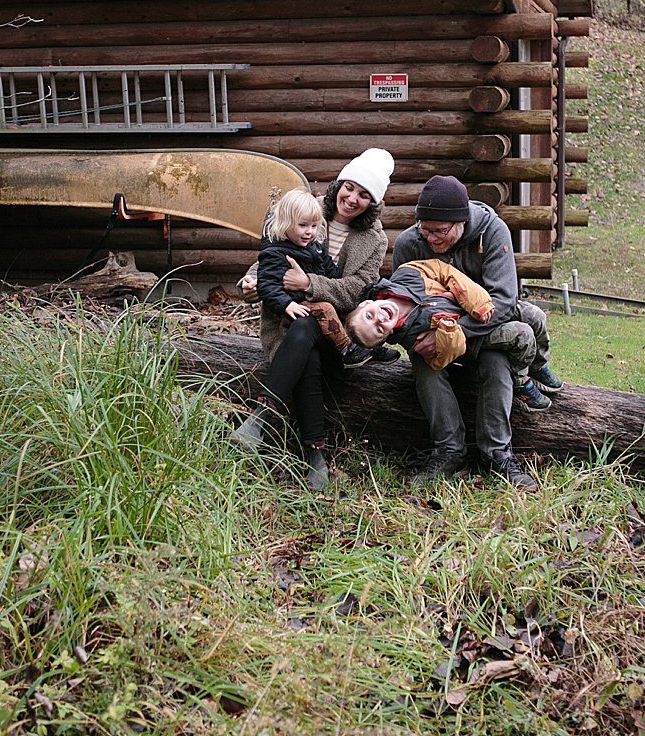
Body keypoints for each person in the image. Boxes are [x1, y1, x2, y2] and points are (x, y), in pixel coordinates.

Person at [232, 148, 395, 490]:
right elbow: (271, 251)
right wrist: (251, 281)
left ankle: (259, 418)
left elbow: (355, 289)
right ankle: (316, 458)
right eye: (350, 187)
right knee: (307, 353)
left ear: (372, 203)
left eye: (364, 195)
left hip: (339, 332)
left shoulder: (374, 240)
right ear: (341, 183)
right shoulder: (305, 207)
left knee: (309, 327)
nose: (352, 199)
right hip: (285, 321)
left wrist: (310, 284)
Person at [390, 175, 561, 488]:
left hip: (485, 330)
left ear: (461, 222)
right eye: (424, 229)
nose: (430, 239)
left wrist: (453, 334)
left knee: (497, 362)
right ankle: (448, 451)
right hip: (433, 333)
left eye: (439, 231)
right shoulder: (408, 244)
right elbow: (399, 303)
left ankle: (497, 456)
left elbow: (505, 303)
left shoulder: (493, 232)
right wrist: (420, 336)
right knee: (423, 362)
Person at [345, 259, 561, 410]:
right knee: (522, 335)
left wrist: (477, 303)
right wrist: (449, 330)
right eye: (379, 330)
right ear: (388, 335)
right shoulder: (413, 337)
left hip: (482, 307)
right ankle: (520, 380)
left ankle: (539, 364)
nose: (379, 320)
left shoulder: (406, 274)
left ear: (366, 303)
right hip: (475, 338)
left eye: (369, 316)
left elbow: (444, 271)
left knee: (536, 315)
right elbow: (445, 356)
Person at [254, 187, 372, 368]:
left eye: (314, 226)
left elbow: (331, 273)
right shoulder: (276, 253)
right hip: (288, 308)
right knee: (325, 308)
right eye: (303, 225)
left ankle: (365, 345)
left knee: (338, 309)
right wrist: (286, 304)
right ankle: (346, 349)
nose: (309, 232)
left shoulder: (315, 248)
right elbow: (267, 284)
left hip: (307, 301)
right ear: (286, 223)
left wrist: (323, 282)